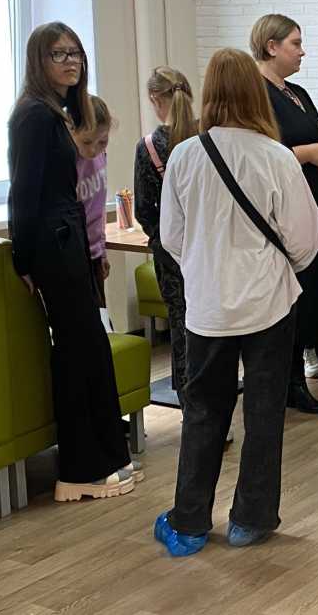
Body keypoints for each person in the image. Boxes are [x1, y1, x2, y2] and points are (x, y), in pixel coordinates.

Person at [153, 48, 318, 557]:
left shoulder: (184, 156)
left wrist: (207, 265)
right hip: (269, 302)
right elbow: (305, 241)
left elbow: (171, 237)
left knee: (203, 412)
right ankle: (251, 519)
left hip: (207, 306)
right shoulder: (277, 157)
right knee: (264, 414)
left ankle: (188, 523)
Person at [7, 22, 135, 502]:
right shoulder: (34, 116)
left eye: (76, 53)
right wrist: (24, 258)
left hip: (68, 244)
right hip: (52, 248)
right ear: (39, 61)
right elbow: (24, 192)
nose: (71, 62)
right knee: (77, 353)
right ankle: (80, 469)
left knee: (91, 350)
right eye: (58, 54)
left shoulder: (57, 113)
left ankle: (109, 457)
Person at [250, 14, 318, 411]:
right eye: (295, 43)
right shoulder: (257, 95)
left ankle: (296, 378)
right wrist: (307, 153)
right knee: (287, 295)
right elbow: (257, 156)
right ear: (271, 46)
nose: (302, 51)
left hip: (310, 202)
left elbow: (309, 138)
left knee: (308, 291)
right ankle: (284, 383)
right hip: (281, 208)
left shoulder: (296, 92)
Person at [134, 66, 197, 394]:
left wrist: (161, 236)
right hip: (209, 244)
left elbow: (144, 210)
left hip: (171, 250)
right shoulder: (206, 138)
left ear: (154, 98)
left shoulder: (149, 146)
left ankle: (189, 400)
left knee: (180, 322)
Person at [72, 95, 114, 307]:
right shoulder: (67, 161)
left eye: (102, 142)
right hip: (74, 256)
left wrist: (102, 250)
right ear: (72, 131)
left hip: (95, 254)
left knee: (101, 319)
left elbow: (98, 209)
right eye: (86, 142)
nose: (93, 150)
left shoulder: (101, 155)